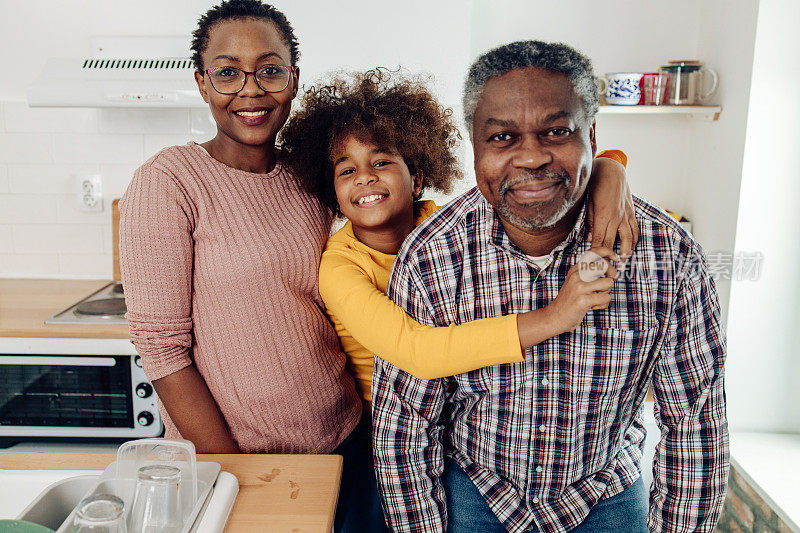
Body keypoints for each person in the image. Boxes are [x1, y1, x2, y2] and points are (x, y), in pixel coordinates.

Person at [372, 41, 729, 533]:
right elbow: (407, 424)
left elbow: (695, 425)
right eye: (502, 137)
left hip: (604, 494)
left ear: (593, 137)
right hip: (476, 492)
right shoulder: (434, 255)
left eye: (557, 131)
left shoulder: (667, 255)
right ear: (473, 144)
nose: (532, 157)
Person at [281, 69, 635, 531]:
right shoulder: (340, 267)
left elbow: (528, 189)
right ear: (334, 192)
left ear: (419, 175)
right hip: (387, 436)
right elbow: (418, 352)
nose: (364, 179)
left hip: (458, 426)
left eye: (381, 162)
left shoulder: (444, 228)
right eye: (347, 170)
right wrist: (554, 316)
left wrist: (611, 167)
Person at [118, 1, 364, 530]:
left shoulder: (312, 176)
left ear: (293, 79)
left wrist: (594, 180)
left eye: (269, 69)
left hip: (343, 440)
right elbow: (161, 349)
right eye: (227, 73)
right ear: (204, 84)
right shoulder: (169, 181)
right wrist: (232, 470)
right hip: (234, 463)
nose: (250, 90)